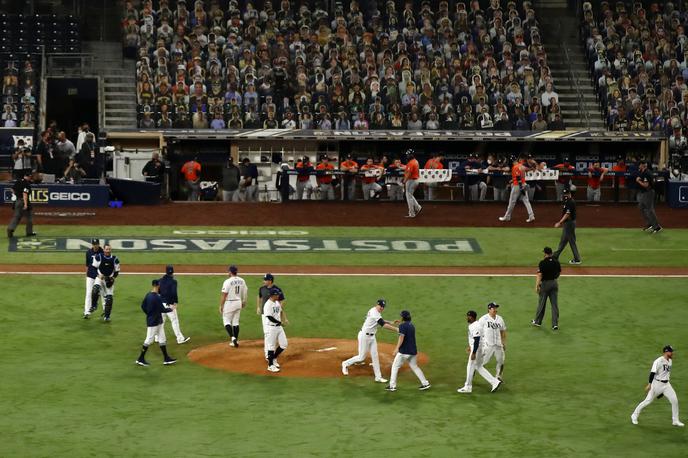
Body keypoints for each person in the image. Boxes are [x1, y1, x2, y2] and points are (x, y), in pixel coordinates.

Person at [341, 299, 398, 383]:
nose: (382, 308)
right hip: (364, 336)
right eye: (381, 306)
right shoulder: (374, 312)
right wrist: (397, 329)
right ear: (377, 305)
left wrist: (391, 322)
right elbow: (383, 325)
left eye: (383, 307)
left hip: (372, 337)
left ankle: (378, 377)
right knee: (361, 357)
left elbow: (380, 320)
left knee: (375, 356)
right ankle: (345, 364)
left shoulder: (375, 312)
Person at [631, 345, 684, 427]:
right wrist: (649, 384)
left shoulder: (670, 361)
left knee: (674, 400)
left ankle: (675, 420)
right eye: (671, 351)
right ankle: (634, 415)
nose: (672, 353)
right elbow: (652, 373)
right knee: (647, 401)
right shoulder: (658, 361)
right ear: (666, 352)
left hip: (666, 385)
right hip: (656, 384)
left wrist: (664, 392)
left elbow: (666, 374)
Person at [457, 310, 503, 393]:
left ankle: (467, 386)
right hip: (480, 348)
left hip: (477, 350)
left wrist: (473, 352)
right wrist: (471, 346)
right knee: (479, 367)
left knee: (470, 367)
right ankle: (495, 382)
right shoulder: (476, 324)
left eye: (468, 316)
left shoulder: (474, 326)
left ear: (472, 317)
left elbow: (477, 339)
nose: (467, 318)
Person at [385, 310, 431, 392]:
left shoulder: (403, 326)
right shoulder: (411, 325)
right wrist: (389, 326)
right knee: (415, 367)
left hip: (404, 352)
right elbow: (400, 330)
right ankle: (425, 383)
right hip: (413, 351)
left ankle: (392, 386)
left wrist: (396, 349)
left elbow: (401, 338)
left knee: (395, 366)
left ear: (403, 317)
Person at [135, 279, 177, 366]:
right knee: (149, 340)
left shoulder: (148, 295)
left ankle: (166, 358)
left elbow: (143, 306)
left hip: (157, 321)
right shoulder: (157, 297)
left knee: (162, 338)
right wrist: (171, 309)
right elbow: (162, 309)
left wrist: (149, 313)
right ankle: (140, 358)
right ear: (157, 286)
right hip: (154, 322)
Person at [257, 273, 286, 360]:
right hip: (264, 314)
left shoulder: (277, 289)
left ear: (270, 281)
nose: (264, 281)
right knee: (267, 334)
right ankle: (268, 354)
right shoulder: (262, 288)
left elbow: (282, 300)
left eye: (265, 280)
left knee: (274, 333)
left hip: (274, 315)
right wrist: (258, 307)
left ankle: (271, 354)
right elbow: (259, 297)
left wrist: (278, 310)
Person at [159, 265, 190, 344]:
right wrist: (175, 303)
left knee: (160, 321)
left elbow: (159, 291)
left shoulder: (160, 280)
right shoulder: (173, 282)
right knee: (174, 321)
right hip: (169, 304)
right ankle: (180, 338)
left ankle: (157, 337)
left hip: (160, 303)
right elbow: (174, 293)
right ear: (173, 272)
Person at [532, 247, 562, 330]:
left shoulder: (542, 263)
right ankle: (555, 324)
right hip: (554, 283)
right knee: (554, 305)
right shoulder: (556, 262)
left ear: (545, 253)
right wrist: (554, 279)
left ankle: (538, 322)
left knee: (541, 303)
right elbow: (559, 272)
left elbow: (539, 275)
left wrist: (537, 286)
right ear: (551, 253)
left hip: (545, 285)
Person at [498, 156, 535, 223]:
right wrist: (520, 183)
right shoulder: (521, 166)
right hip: (523, 184)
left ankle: (507, 217)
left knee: (512, 201)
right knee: (526, 201)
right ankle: (531, 216)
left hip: (517, 186)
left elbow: (518, 178)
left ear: (512, 162)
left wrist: (521, 188)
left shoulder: (515, 167)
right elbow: (521, 176)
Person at [89, 243, 120, 321]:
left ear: (111, 250)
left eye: (109, 249)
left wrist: (113, 278)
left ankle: (107, 316)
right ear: (103, 249)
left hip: (108, 279)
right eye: (106, 249)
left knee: (109, 298)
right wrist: (98, 275)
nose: (108, 251)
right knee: (95, 289)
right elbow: (93, 268)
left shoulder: (115, 259)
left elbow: (116, 271)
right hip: (100, 277)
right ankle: (94, 305)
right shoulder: (99, 257)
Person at [477, 302, 507, 383]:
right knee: (481, 363)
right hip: (487, 345)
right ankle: (472, 370)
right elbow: (477, 330)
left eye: (496, 308)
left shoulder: (500, 319)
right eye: (493, 308)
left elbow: (503, 331)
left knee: (501, 361)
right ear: (489, 309)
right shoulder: (483, 319)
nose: (495, 310)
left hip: (498, 345)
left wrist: (503, 342)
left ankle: (498, 377)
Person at [219, 265, 248, 347]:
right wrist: (244, 301)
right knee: (236, 322)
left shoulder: (227, 281)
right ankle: (236, 340)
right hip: (238, 302)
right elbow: (245, 291)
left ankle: (232, 338)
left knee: (226, 320)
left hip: (229, 303)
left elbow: (224, 295)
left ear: (230, 272)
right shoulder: (242, 280)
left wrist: (221, 305)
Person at [263, 287, 289, 372]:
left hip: (278, 327)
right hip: (271, 328)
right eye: (277, 294)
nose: (278, 295)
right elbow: (269, 317)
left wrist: (284, 319)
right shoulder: (268, 305)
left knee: (284, 344)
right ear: (273, 295)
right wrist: (279, 322)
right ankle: (270, 365)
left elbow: (281, 311)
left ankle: (274, 358)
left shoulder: (277, 302)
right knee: (271, 346)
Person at [553, 188, 581, 264]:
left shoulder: (570, 202)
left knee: (572, 241)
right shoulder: (566, 201)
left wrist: (559, 222)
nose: (565, 195)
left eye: (567, 194)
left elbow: (567, 214)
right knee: (563, 241)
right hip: (567, 224)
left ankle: (577, 259)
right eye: (564, 194)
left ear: (570, 194)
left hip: (569, 224)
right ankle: (555, 256)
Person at [6, 172, 36, 238]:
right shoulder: (27, 184)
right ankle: (29, 232)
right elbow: (25, 194)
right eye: (30, 177)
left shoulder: (18, 181)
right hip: (23, 201)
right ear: (28, 177)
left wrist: (16, 195)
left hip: (17, 201)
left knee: (16, 216)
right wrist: (25, 204)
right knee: (29, 218)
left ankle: (10, 229)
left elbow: (12, 189)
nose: (30, 178)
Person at [636, 160, 662, 233]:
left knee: (650, 210)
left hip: (648, 193)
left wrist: (638, 181)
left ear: (643, 165)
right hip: (644, 193)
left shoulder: (647, 173)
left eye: (639, 164)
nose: (638, 166)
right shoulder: (643, 172)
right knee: (641, 207)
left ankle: (657, 227)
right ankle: (650, 223)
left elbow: (646, 185)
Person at [83, 238, 103, 319]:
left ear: (99, 244)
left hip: (100, 275)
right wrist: (86, 275)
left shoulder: (102, 252)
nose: (95, 246)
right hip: (90, 275)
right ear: (92, 245)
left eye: (96, 244)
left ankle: (105, 312)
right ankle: (87, 312)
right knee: (88, 293)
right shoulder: (88, 252)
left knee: (102, 293)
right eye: (94, 244)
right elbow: (87, 265)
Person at [403, 149, 422, 218]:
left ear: (411, 155)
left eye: (408, 154)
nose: (407, 156)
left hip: (411, 180)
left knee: (409, 197)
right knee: (410, 195)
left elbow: (409, 173)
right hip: (415, 180)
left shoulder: (411, 162)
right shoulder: (415, 161)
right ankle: (418, 207)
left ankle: (412, 213)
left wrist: (404, 181)